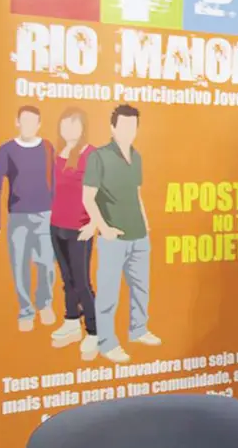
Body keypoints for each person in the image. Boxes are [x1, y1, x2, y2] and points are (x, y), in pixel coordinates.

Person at [83, 104, 160, 363]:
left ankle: (138, 329)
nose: (128, 130)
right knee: (108, 292)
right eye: (123, 125)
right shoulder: (99, 156)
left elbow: (136, 193)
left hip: (139, 234)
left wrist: (146, 223)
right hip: (113, 238)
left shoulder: (136, 156)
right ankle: (107, 342)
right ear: (112, 127)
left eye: (133, 125)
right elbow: (88, 198)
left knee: (141, 288)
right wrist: (104, 229)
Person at [0, 105, 57, 332]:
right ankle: (25, 311)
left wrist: (57, 215)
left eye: (33, 122)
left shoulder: (47, 147)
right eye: (24, 121)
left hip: (46, 216)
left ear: (39, 125)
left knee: (47, 264)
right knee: (20, 267)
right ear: (17, 122)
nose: (28, 125)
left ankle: (45, 304)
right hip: (17, 217)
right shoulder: (7, 149)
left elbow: (55, 183)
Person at [49, 107, 99, 359]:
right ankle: (71, 321)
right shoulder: (59, 153)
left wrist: (94, 225)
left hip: (80, 227)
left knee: (82, 282)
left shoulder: (91, 155)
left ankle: (94, 330)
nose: (68, 129)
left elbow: (103, 193)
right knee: (66, 278)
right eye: (64, 124)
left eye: (73, 124)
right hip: (56, 225)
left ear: (83, 127)